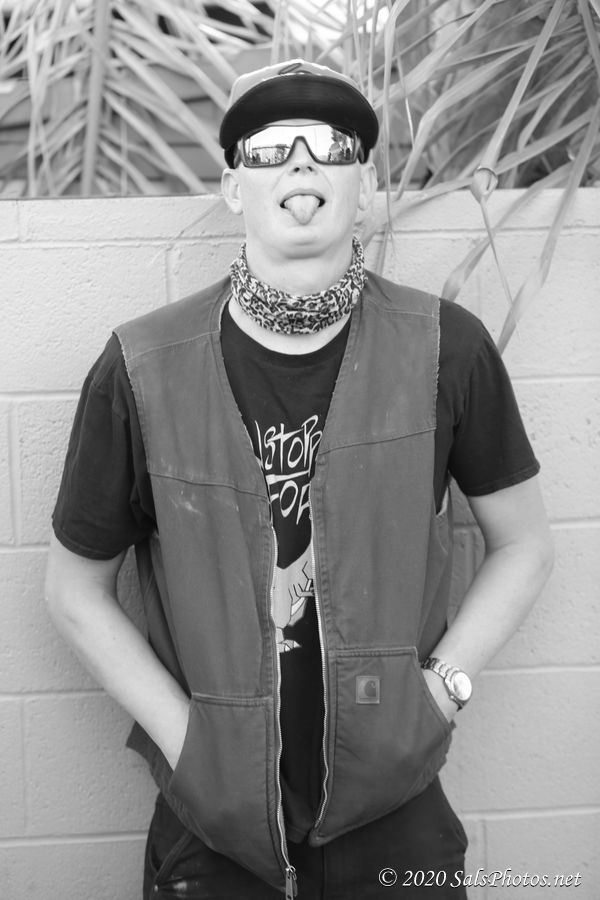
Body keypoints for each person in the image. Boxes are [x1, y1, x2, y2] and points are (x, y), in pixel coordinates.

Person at [45, 59, 554, 899]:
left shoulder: (446, 348)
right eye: (271, 147)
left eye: (330, 145)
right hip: (212, 834)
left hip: (396, 813)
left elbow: (525, 546)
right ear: (232, 187)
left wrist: (441, 691)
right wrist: (188, 743)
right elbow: (73, 591)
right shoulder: (140, 366)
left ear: (367, 186)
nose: (301, 164)